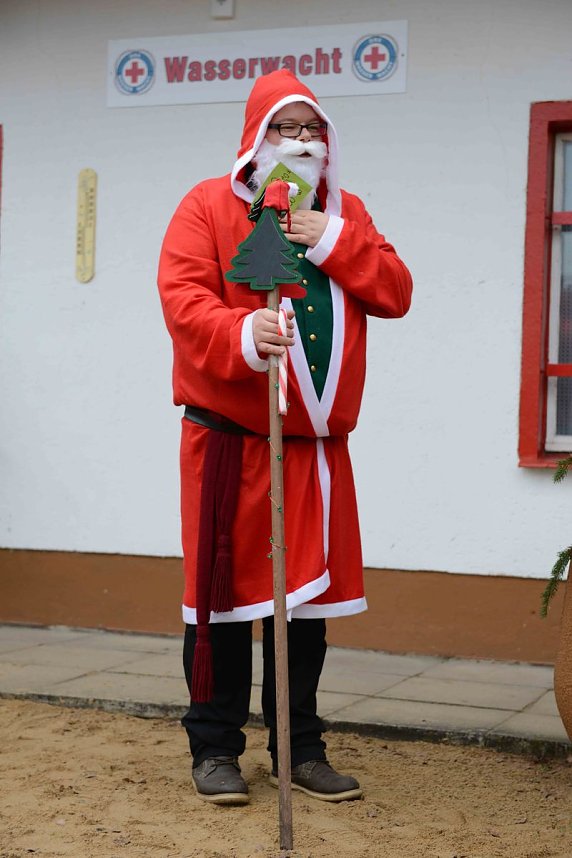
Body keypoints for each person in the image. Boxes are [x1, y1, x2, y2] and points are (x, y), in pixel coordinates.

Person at [157, 69, 412, 806]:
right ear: (254, 138)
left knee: (302, 608)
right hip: (232, 444)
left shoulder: (346, 211)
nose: (301, 143)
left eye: (312, 130)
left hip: (315, 452)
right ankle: (215, 747)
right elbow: (183, 299)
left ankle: (299, 746)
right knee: (225, 602)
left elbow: (394, 290)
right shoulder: (207, 204)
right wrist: (241, 332)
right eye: (284, 128)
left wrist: (331, 238)